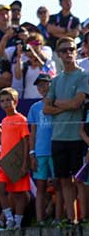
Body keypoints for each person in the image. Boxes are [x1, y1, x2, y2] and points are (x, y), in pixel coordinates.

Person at [44, 37, 89, 223]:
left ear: (76, 51)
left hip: (77, 137)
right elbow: (46, 108)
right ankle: (72, 219)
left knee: (80, 180)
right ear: (58, 54)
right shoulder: (55, 81)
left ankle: (84, 218)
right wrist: (66, 105)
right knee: (63, 180)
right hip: (58, 137)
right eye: (64, 50)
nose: (68, 52)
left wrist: (56, 103)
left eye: (71, 49)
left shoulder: (84, 76)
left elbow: (77, 103)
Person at [0, 87, 31, 230]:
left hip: (17, 160)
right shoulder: (5, 120)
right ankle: (9, 218)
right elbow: (4, 140)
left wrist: (25, 162)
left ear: (16, 101)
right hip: (5, 161)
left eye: (8, 100)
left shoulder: (21, 119)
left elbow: (26, 141)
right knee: (0, 187)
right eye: (2, 101)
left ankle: (17, 222)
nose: (6, 103)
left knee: (18, 193)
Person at [28, 74, 57, 224]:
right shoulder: (35, 108)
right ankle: (40, 220)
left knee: (58, 185)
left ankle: (59, 218)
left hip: (56, 150)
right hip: (40, 152)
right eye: (39, 86)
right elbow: (32, 133)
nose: (42, 88)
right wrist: (32, 153)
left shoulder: (58, 103)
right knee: (41, 187)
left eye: (45, 84)